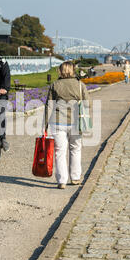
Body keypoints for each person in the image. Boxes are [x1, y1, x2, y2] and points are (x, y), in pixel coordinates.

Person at [45, 61, 90, 189]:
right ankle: (75, 178)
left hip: (58, 121)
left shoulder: (55, 85)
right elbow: (88, 104)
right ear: (72, 70)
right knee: (75, 149)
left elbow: (49, 105)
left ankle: (62, 180)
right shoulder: (80, 85)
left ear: (61, 70)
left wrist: (45, 125)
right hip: (76, 121)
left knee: (60, 151)